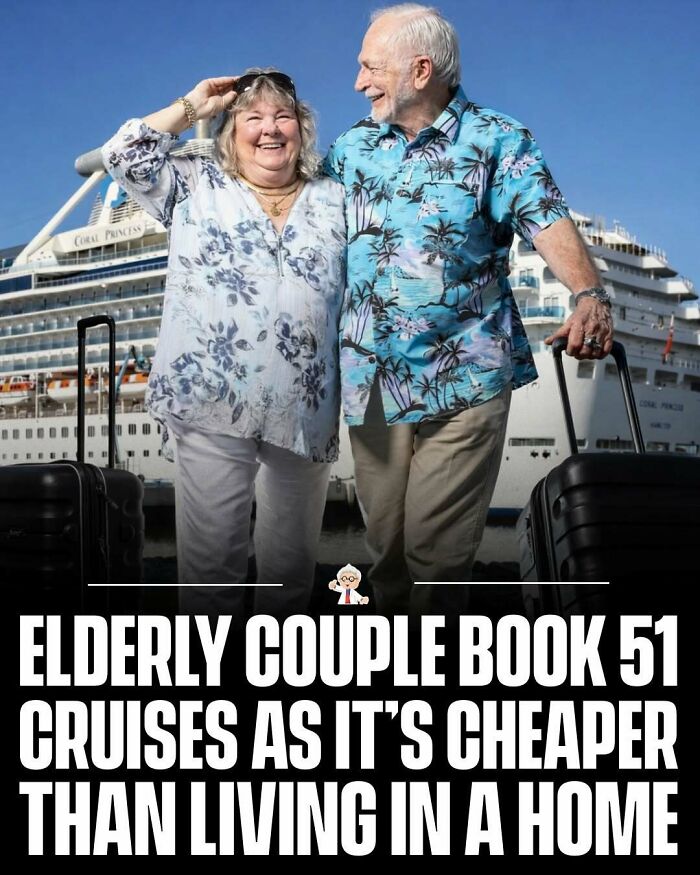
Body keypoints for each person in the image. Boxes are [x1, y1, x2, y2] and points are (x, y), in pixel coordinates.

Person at [324, 4, 613, 614]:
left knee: (438, 552)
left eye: (370, 67)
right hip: (371, 377)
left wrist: (589, 293)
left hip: (467, 376)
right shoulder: (350, 148)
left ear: (420, 69)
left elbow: (545, 214)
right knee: (387, 549)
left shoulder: (496, 138)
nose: (358, 82)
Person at [102, 70, 346, 616]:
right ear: (228, 132)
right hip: (209, 398)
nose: (270, 129)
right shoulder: (195, 179)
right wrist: (194, 103)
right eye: (252, 117)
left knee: (290, 569)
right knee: (213, 569)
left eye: (283, 116)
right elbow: (121, 153)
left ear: (303, 130)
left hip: (304, 406)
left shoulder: (334, 196)